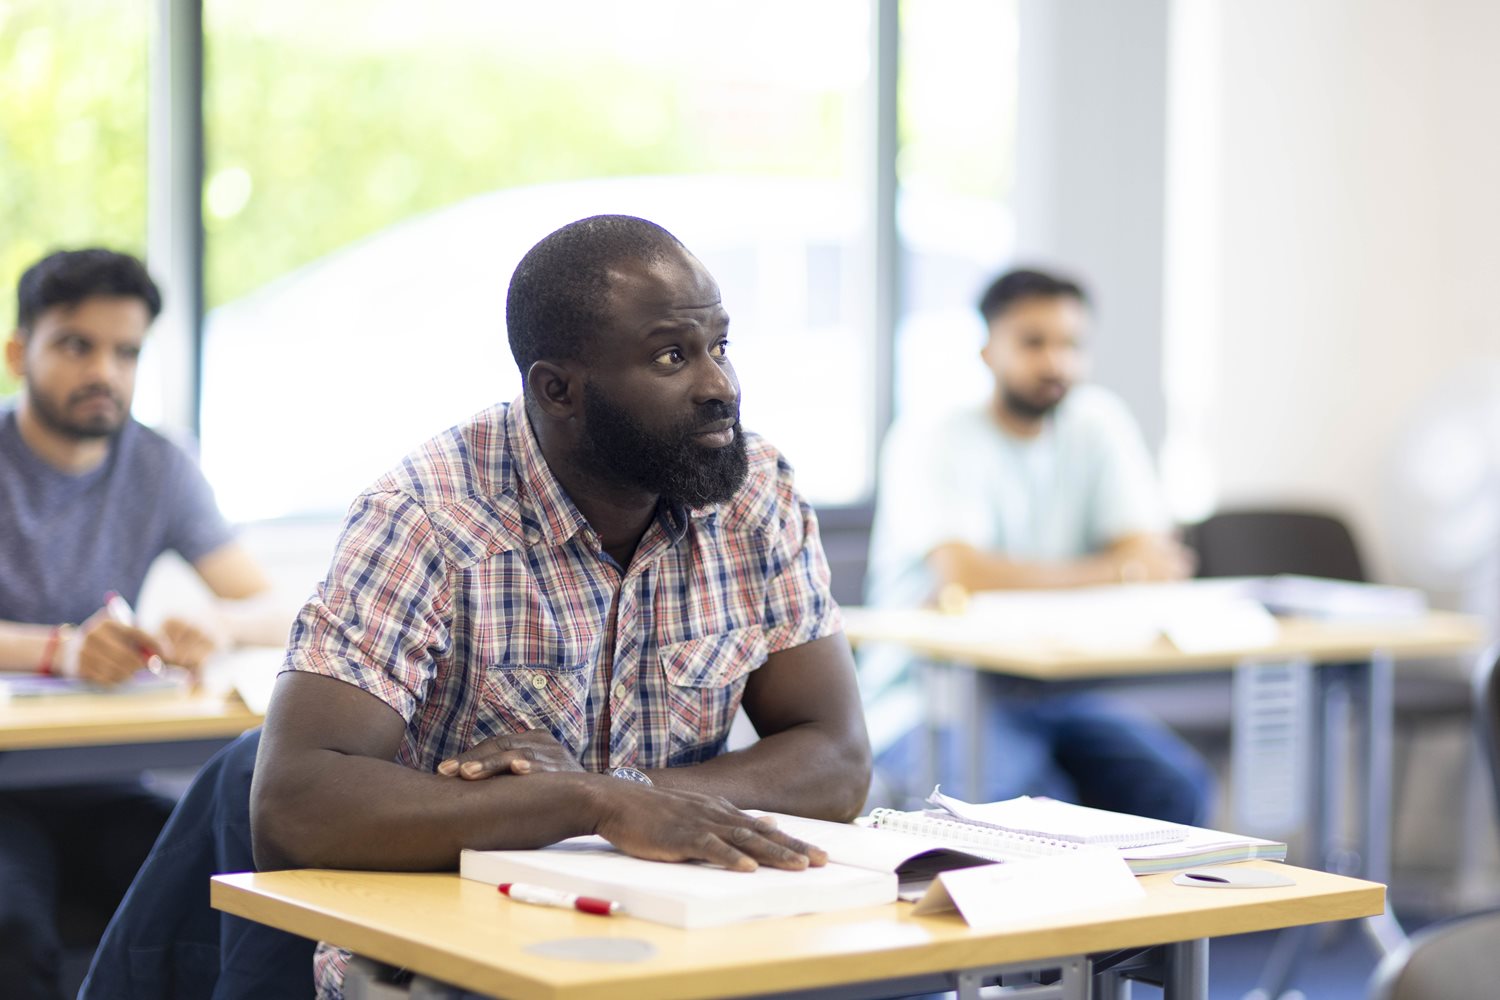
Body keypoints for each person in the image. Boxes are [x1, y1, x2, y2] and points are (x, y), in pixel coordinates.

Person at [244, 215, 871, 997]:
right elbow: (293, 803)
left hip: (686, 937)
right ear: (558, 389)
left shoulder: (755, 495)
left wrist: (620, 796)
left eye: (721, 346)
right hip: (447, 958)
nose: (720, 387)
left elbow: (838, 760)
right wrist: (585, 801)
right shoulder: (427, 514)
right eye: (672, 355)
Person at [0, 248, 272, 999]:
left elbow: (275, 606)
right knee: (11, 932)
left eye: (126, 352)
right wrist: (59, 651)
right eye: (76, 345)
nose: (105, 373)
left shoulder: (159, 465)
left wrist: (212, 621)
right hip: (4, 788)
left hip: (104, 783)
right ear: (19, 352)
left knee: (230, 891)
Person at [863, 267, 1214, 824]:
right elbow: (964, 576)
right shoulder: (933, 436)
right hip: (932, 695)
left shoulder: (1097, 423)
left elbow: (1154, 560)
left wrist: (1120, 567)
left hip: (1056, 687)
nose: (1055, 362)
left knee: (1173, 789)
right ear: (987, 350)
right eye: (1033, 343)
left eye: (1071, 344)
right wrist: (1114, 570)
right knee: (1027, 804)